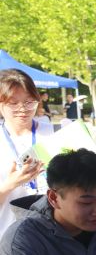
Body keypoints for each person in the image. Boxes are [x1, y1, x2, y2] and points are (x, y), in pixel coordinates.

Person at [0, 70, 55, 237]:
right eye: (13, 103)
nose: (23, 109)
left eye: (29, 102)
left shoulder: (55, 133)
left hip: (53, 237)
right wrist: (10, 184)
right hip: (7, 239)